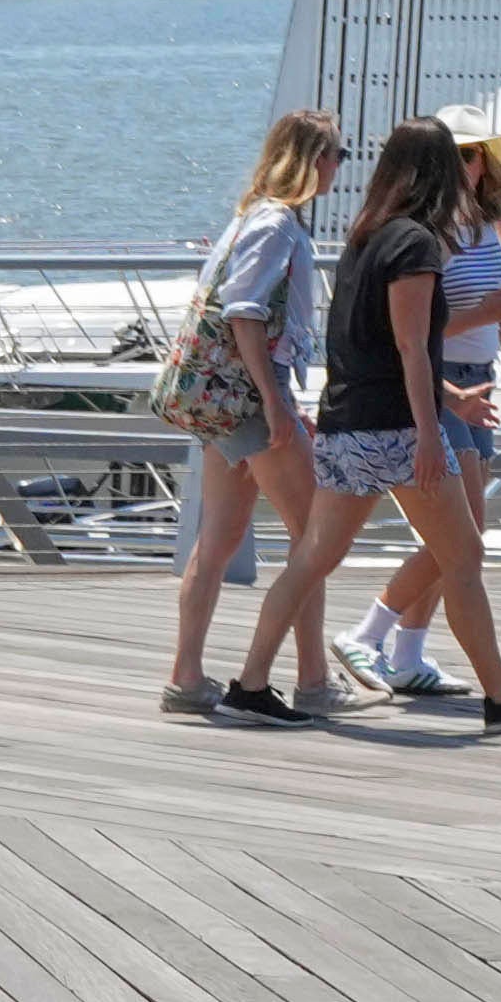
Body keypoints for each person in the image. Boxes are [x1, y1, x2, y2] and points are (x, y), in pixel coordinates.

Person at [225, 115, 501, 731]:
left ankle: (250, 685)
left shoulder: (365, 236)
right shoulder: (414, 243)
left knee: (311, 559)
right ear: (441, 172)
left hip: (344, 423)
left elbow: (369, 341)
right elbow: (412, 347)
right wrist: (428, 434)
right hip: (394, 428)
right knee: (463, 555)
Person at [363, 122, 501, 701]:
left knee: (457, 535)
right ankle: (369, 632)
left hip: (482, 383)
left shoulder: (488, 227)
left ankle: (408, 652)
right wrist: (487, 312)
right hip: (440, 381)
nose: (468, 165)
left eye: (477, 155)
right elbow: (412, 331)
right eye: (458, 154)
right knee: (462, 535)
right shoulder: (425, 235)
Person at [159, 112, 338, 719]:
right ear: (310, 161)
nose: (340, 167)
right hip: (250, 399)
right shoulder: (276, 223)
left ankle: (186, 679)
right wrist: (277, 401)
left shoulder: (251, 216)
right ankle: (309, 680)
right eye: (334, 155)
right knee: (314, 536)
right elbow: (244, 310)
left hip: (223, 400)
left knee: (218, 542)